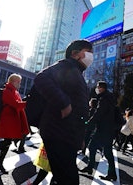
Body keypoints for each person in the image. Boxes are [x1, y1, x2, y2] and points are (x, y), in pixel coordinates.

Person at [34, 39, 93, 185]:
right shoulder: (67, 65)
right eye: (89, 52)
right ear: (74, 53)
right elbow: (41, 78)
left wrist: (81, 138)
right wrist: (64, 103)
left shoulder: (77, 72)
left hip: (68, 135)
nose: (91, 56)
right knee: (69, 179)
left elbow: (81, 110)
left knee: (63, 178)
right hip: (58, 132)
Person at [0, 73, 29, 174]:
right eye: (18, 82)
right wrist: (28, 102)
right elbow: (16, 105)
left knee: (7, 143)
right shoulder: (7, 91)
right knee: (7, 142)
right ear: (13, 81)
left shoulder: (14, 91)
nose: (20, 85)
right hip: (6, 120)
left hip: (11, 120)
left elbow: (17, 105)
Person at [80, 81, 117, 181]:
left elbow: (99, 112)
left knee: (95, 147)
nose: (97, 89)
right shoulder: (108, 97)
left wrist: (89, 122)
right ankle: (93, 168)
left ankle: (93, 168)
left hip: (104, 130)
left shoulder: (104, 98)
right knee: (102, 150)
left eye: (98, 87)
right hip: (107, 129)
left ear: (102, 88)